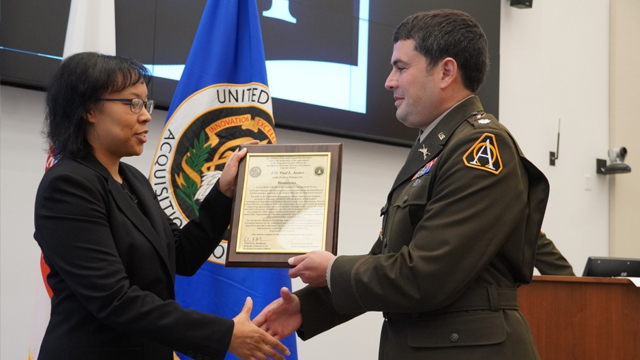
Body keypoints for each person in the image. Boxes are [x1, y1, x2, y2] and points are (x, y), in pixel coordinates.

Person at [254, 9, 549, 360]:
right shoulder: (438, 146)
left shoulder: (481, 148)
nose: (389, 81)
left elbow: (427, 275)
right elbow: (390, 259)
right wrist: (308, 308)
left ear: (446, 72)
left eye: (401, 67)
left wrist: (333, 270)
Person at [33, 52, 289, 360]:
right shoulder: (69, 186)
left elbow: (181, 255)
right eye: (132, 103)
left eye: (145, 103)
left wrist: (224, 191)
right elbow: (115, 300)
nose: (145, 116)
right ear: (89, 110)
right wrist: (223, 334)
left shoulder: (133, 180)